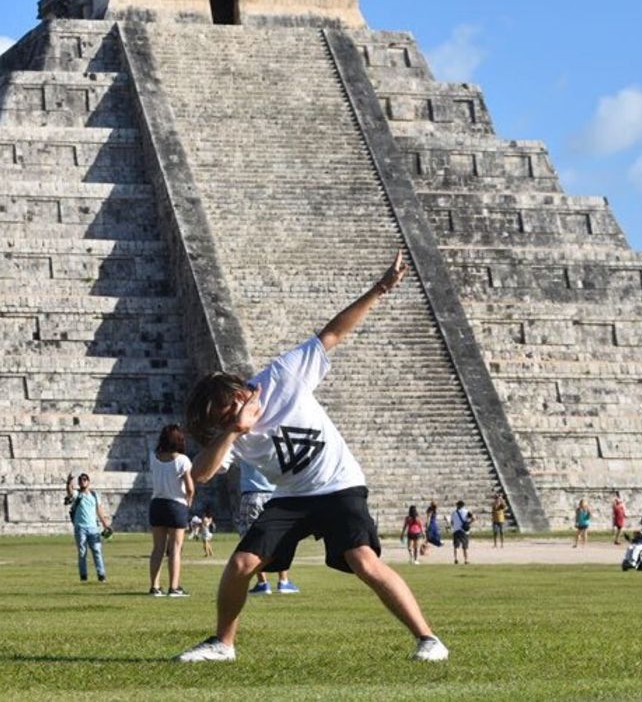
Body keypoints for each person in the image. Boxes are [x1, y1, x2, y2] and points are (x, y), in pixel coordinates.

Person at [175, 251, 448, 662]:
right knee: (241, 564)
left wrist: (380, 288)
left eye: (229, 409)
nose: (229, 417)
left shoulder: (281, 376)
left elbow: (331, 335)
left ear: (238, 390)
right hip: (291, 497)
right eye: (221, 419)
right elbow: (202, 473)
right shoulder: (232, 432)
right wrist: (233, 431)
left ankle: (429, 639)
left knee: (363, 561)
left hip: (339, 484)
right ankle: (222, 644)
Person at [238, 460, 299, 595]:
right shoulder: (271, 445)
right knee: (281, 538)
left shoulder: (242, 447)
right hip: (275, 495)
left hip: (252, 494)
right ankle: (283, 581)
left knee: (251, 540)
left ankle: (262, 583)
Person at [148, 424, 192, 596]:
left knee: (157, 548)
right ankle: (174, 587)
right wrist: (189, 501)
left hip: (157, 504)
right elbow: (190, 488)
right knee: (175, 548)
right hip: (176, 504)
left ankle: (154, 586)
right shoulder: (183, 460)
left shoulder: (154, 457)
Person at [66, 472, 113, 584]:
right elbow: (70, 492)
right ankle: (83, 576)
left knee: (97, 551)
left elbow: (99, 510)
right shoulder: (77, 494)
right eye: (81, 480)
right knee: (82, 553)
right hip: (80, 528)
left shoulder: (94, 495)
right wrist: (69, 482)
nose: (83, 481)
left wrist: (105, 524)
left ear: (88, 481)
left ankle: (101, 575)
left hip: (93, 528)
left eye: (85, 479)